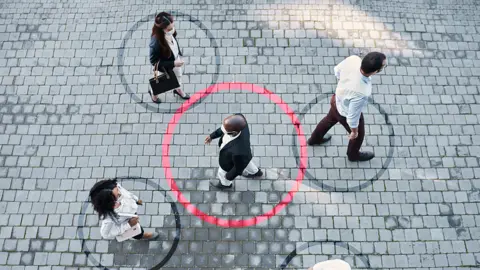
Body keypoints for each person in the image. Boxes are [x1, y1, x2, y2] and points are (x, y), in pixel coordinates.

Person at [307, 52, 387, 162]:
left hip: (336, 101)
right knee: (358, 137)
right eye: (383, 66)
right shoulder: (362, 91)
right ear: (374, 72)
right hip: (345, 112)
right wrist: (354, 132)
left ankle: (314, 139)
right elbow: (352, 117)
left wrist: (345, 84)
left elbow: (337, 71)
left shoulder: (353, 60)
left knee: (328, 120)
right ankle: (353, 155)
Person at [205, 113, 263, 189]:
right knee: (247, 162)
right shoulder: (240, 119)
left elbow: (238, 169)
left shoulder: (239, 152)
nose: (222, 131)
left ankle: (225, 184)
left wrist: (229, 176)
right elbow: (224, 128)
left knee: (222, 173)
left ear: (234, 132)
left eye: (225, 132)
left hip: (231, 161)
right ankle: (256, 172)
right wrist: (212, 136)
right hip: (245, 156)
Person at [89, 178, 159, 240]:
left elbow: (127, 193)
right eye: (117, 196)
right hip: (128, 222)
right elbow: (105, 234)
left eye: (117, 189)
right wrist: (128, 225)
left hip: (131, 212)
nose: (120, 193)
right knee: (137, 232)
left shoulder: (116, 187)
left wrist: (136, 199)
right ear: (109, 203)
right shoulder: (109, 218)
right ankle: (142, 236)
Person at [148, 12, 190, 103]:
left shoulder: (170, 32)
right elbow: (153, 62)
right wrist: (173, 63)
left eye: (173, 26)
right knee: (159, 83)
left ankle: (178, 90)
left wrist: (177, 58)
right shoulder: (155, 43)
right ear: (163, 29)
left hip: (175, 60)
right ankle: (153, 94)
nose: (173, 29)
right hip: (164, 67)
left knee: (178, 76)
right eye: (170, 28)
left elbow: (173, 43)